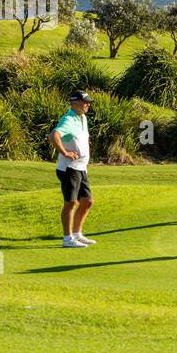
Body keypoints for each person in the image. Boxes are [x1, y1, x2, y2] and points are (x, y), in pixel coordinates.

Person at [50, 89, 96, 248]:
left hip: (81, 168)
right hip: (69, 168)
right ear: (74, 103)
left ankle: (77, 233)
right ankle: (67, 238)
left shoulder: (81, 117)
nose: (87, 105)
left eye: (88, 102)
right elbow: (54, 135)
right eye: (85, 102)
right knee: (71, 202)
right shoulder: (68, 119)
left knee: (88, 201)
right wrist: (65, 152)